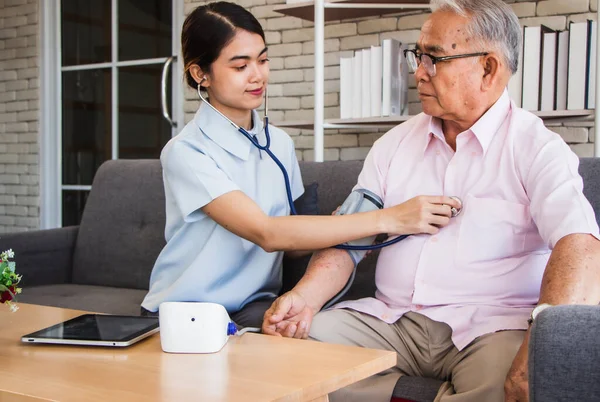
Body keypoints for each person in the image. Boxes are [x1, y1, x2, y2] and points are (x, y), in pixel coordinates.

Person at [262, 0, 600, 400]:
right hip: (394, 321)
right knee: (288, 349)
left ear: (488, 69)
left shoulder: (537, 148)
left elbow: (579, 245)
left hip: (491, 326)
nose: (419, 73)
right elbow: (353, 235)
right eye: (418, 56)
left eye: (434, 58)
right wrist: (304, 298)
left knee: (514, 377)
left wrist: (540, 348)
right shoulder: (393, 144)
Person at [141, 2, 461, 329]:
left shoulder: (278, 143)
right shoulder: (186, 152)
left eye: (262, 60)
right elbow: (267, 233)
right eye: (240, 66)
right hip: (187, 310)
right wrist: (389, 218)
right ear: (200, 74)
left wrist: (344, 224)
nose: (257, 76)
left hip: (252, 306)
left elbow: (291, 247)